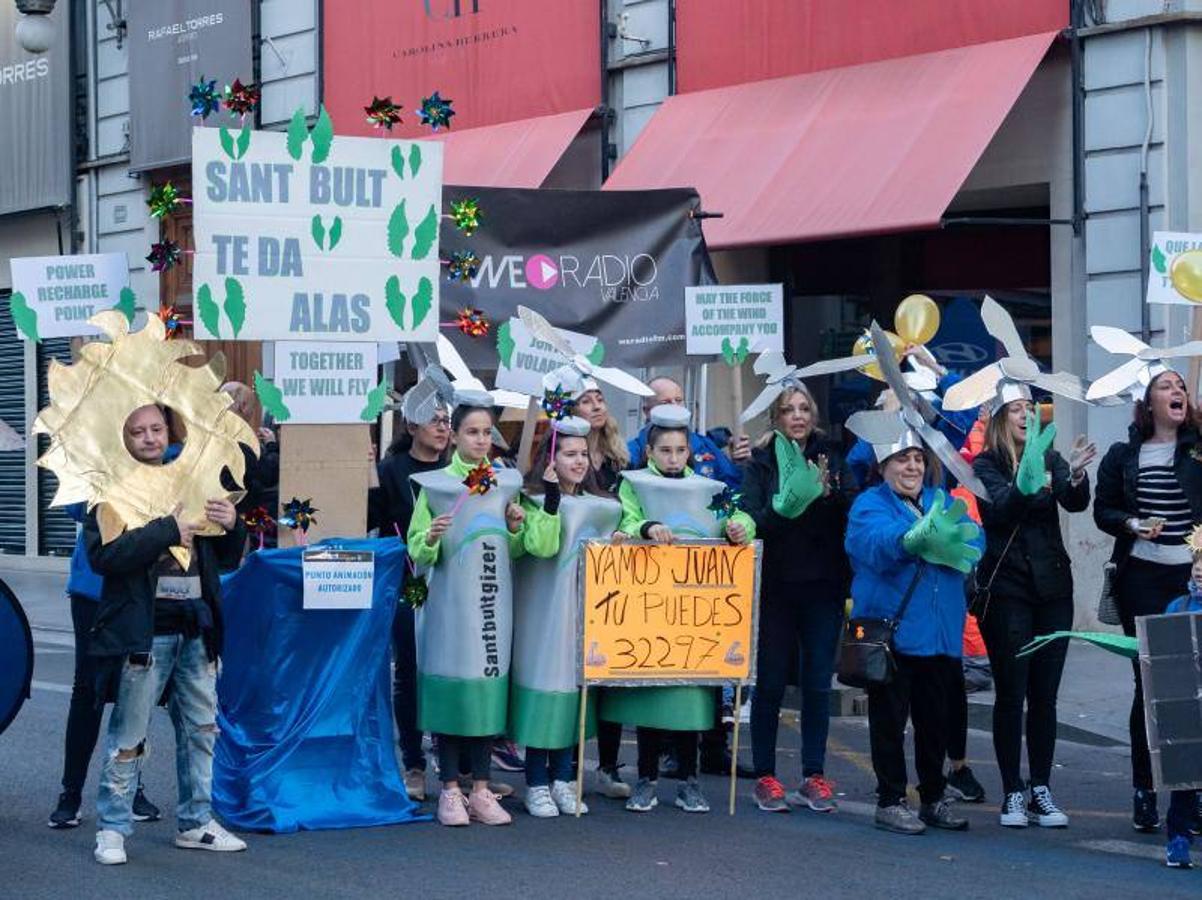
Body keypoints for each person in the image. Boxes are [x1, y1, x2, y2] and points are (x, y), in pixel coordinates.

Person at [87, 404, 248, 865]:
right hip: (143, 630)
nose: (150, 438)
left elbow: (226, 555)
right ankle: (113, 828)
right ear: (124, 438)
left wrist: (232, 524)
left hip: (197, 625)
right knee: (129, 734)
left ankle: (197, 822)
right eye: (138, 431)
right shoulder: (109, 488)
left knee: (201, 730)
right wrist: (166, 529)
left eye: (156, 428)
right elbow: (106, 557)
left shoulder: (194, 476)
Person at [407, 391, 557, 827]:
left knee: (487, 695)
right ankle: (450, 790)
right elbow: (417, 551)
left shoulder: (505, 483)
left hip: (493, 608)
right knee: (454, 694)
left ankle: (481, 788)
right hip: (451, 611)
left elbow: (514, 548)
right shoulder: (436, 487)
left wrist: (514, 527)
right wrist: (431, 537)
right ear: (452, 437)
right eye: (471, 432)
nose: (480, 440)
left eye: (486, 433)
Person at [603, 405, 756, 814]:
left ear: (690, 452)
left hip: (696, 607)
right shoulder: (633, 484)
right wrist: (645, 529)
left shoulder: (709, 487)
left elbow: (737, 515)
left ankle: (690, 780)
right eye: (665, 450)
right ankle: (646, 778)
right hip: (652, 604)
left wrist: (739, 528)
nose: (673, 458)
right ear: (650, 451)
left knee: (693, 694)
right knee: (653, 691)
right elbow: (626, 519)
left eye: (680, 450)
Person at [844, 412, 982, 835]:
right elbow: (871, 547)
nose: (912, 467)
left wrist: (959, 536)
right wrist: (910, 539)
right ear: (884, 466)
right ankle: (890, 799)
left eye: (918, 459)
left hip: (940, 634)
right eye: (902, 459)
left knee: (934, 722)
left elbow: (974, 541)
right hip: (895, 633)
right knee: (889, 722)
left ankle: (934, 797)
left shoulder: (940, 499)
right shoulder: (869, 504)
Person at [973, 394, 1095, 828]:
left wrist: (1076, 475)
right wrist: (1028, 481)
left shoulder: (1052, 455)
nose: (1026, 415)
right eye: (1015, 409)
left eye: (1030, 407)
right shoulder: (985, 465)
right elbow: (1001, 512)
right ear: (1000, 419)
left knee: (1045, 694)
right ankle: (1012, 791)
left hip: (1053, 588)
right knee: (1012, 692)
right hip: (1007, 589)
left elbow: (1074, 502)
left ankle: (1041, 786)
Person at [740, 380, 855, 814]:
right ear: (777, 418)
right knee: (769, 683)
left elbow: (849, 507)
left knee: (816, 685)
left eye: (805, 408)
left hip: (823, 586)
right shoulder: (761, 463)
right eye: (789, 410)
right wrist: (785, 507)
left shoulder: (831, 456)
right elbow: (754, 522)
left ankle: (813, 774)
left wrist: (829, 496)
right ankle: (766, 774)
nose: (799, 416)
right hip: (775, 587)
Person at [1094, 369, 1202, 832]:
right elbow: (1104, 510)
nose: (1176, 392)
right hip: (1142, 578)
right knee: (1150, 686)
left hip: (1192, 577)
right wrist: (1133, 524)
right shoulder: (1123, 455)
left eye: (1181, 386)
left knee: (1195, 689)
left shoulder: (1198, 451)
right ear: (1148, 403)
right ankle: (1145, 787)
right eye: (1166, 387)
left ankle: (1191, 795)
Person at [512, 416, 622, 817]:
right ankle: (537, 781)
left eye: (583, 455)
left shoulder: (605, 505)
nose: (578, 462)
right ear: (550, 460)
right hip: (543, 616)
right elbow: (541, 546)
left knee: (573, 693)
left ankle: (563, 777)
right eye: (569, 454)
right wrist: (554, 497)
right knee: (546, 690)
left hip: (585, 614)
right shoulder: (532, 500)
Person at [47, 503, 161, 830]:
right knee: (87, 690)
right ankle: (71, 792)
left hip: (143, 588)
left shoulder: (160, 457)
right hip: (92, 588)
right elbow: (74, 508)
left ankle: (130, 786)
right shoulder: (93, 457)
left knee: (137, 693)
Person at [367, 392, 452, 802]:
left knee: (454, 669)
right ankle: (414, 764)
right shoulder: (390, 471)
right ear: (411, 427)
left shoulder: (459, 472)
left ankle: (460, 768)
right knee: (411, 671)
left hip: (454, 580)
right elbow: (370, 521)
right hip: (407, 581)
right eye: (433, 420)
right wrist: (362, 474)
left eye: (446, 420)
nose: (442, 426)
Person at [571, 381, 632, 797]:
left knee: (608, 669)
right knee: (572, 673)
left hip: (613, 574)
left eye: (599, 399)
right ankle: (569, 764)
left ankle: (608, 766)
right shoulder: (563, 456)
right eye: (585, 400)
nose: (595, 405)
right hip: (570, 573)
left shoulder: (620, 459)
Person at [626, 377, 749, 489]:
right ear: (647, 411)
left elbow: (733, 487)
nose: (674, 406)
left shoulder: (705, 445)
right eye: (665, 402)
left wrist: (740, 463)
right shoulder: (631, 452)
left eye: (678, 400)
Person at [1161, 547, 1202, 868]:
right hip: (1186, 705)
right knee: (1185, 776)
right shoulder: (1177, 606)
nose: (1200, 570)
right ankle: (1178, 838)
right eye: (1197, 563)